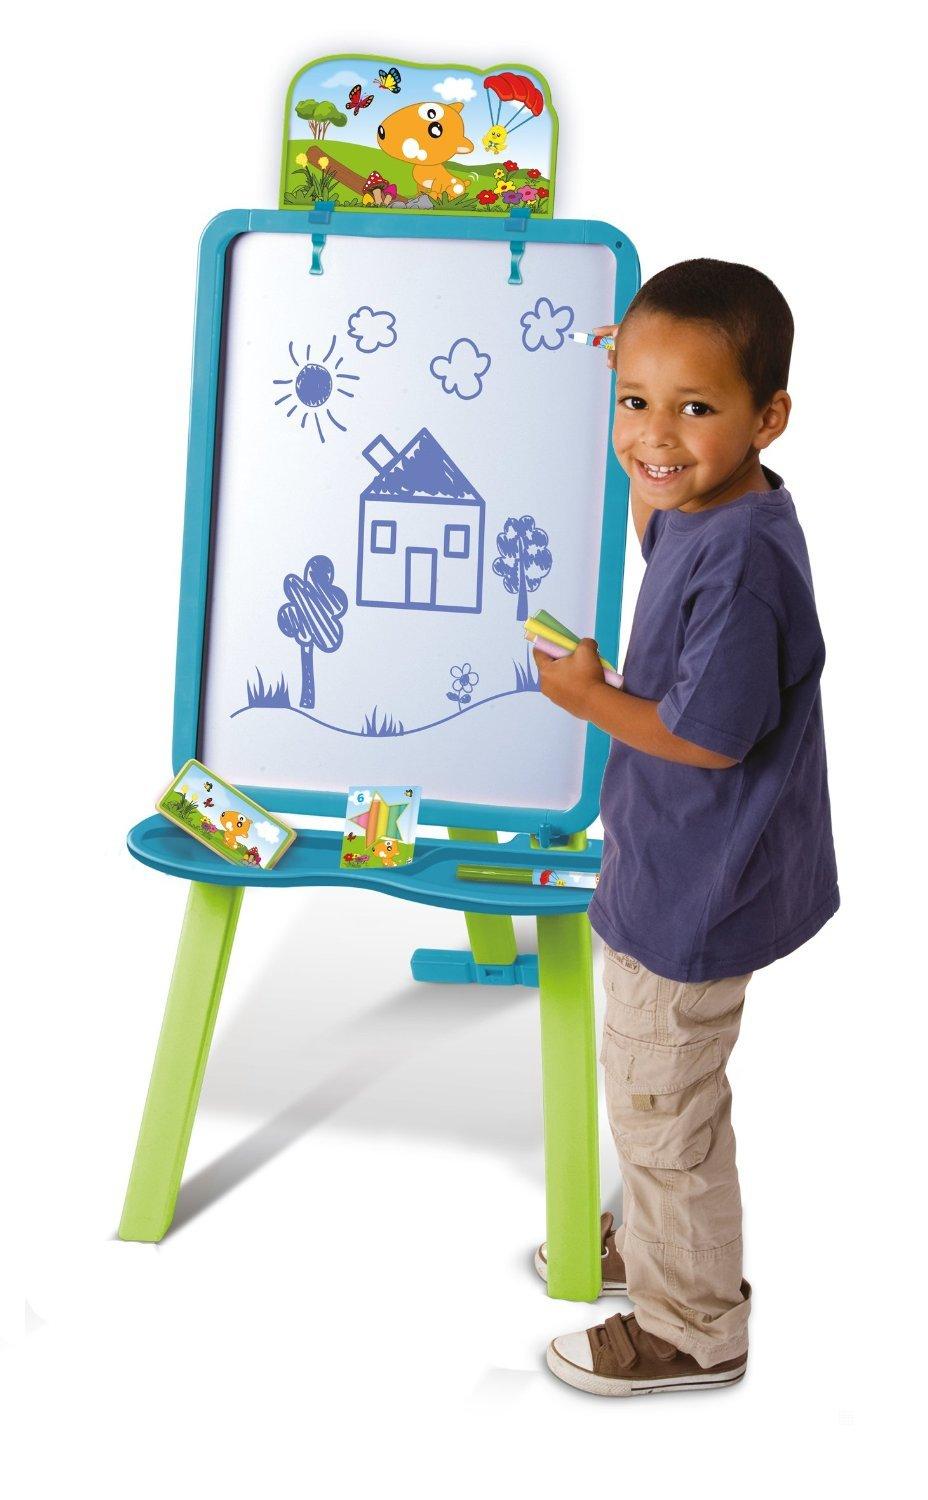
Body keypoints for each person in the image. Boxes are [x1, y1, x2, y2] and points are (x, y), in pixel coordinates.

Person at [531, 258, 839, 1396]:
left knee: (665, 1109)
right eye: (635, 400)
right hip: (673, 861)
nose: (654, 436)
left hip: (699, 883)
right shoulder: (704, 505)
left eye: (693, 406)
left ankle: (691, 1325)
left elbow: (708, 739)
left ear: (770, 418)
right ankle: (663, 1242)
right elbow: (653, 493)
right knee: (648, 1089)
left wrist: (586, 700)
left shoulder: (745, 561)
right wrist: (641, 395)